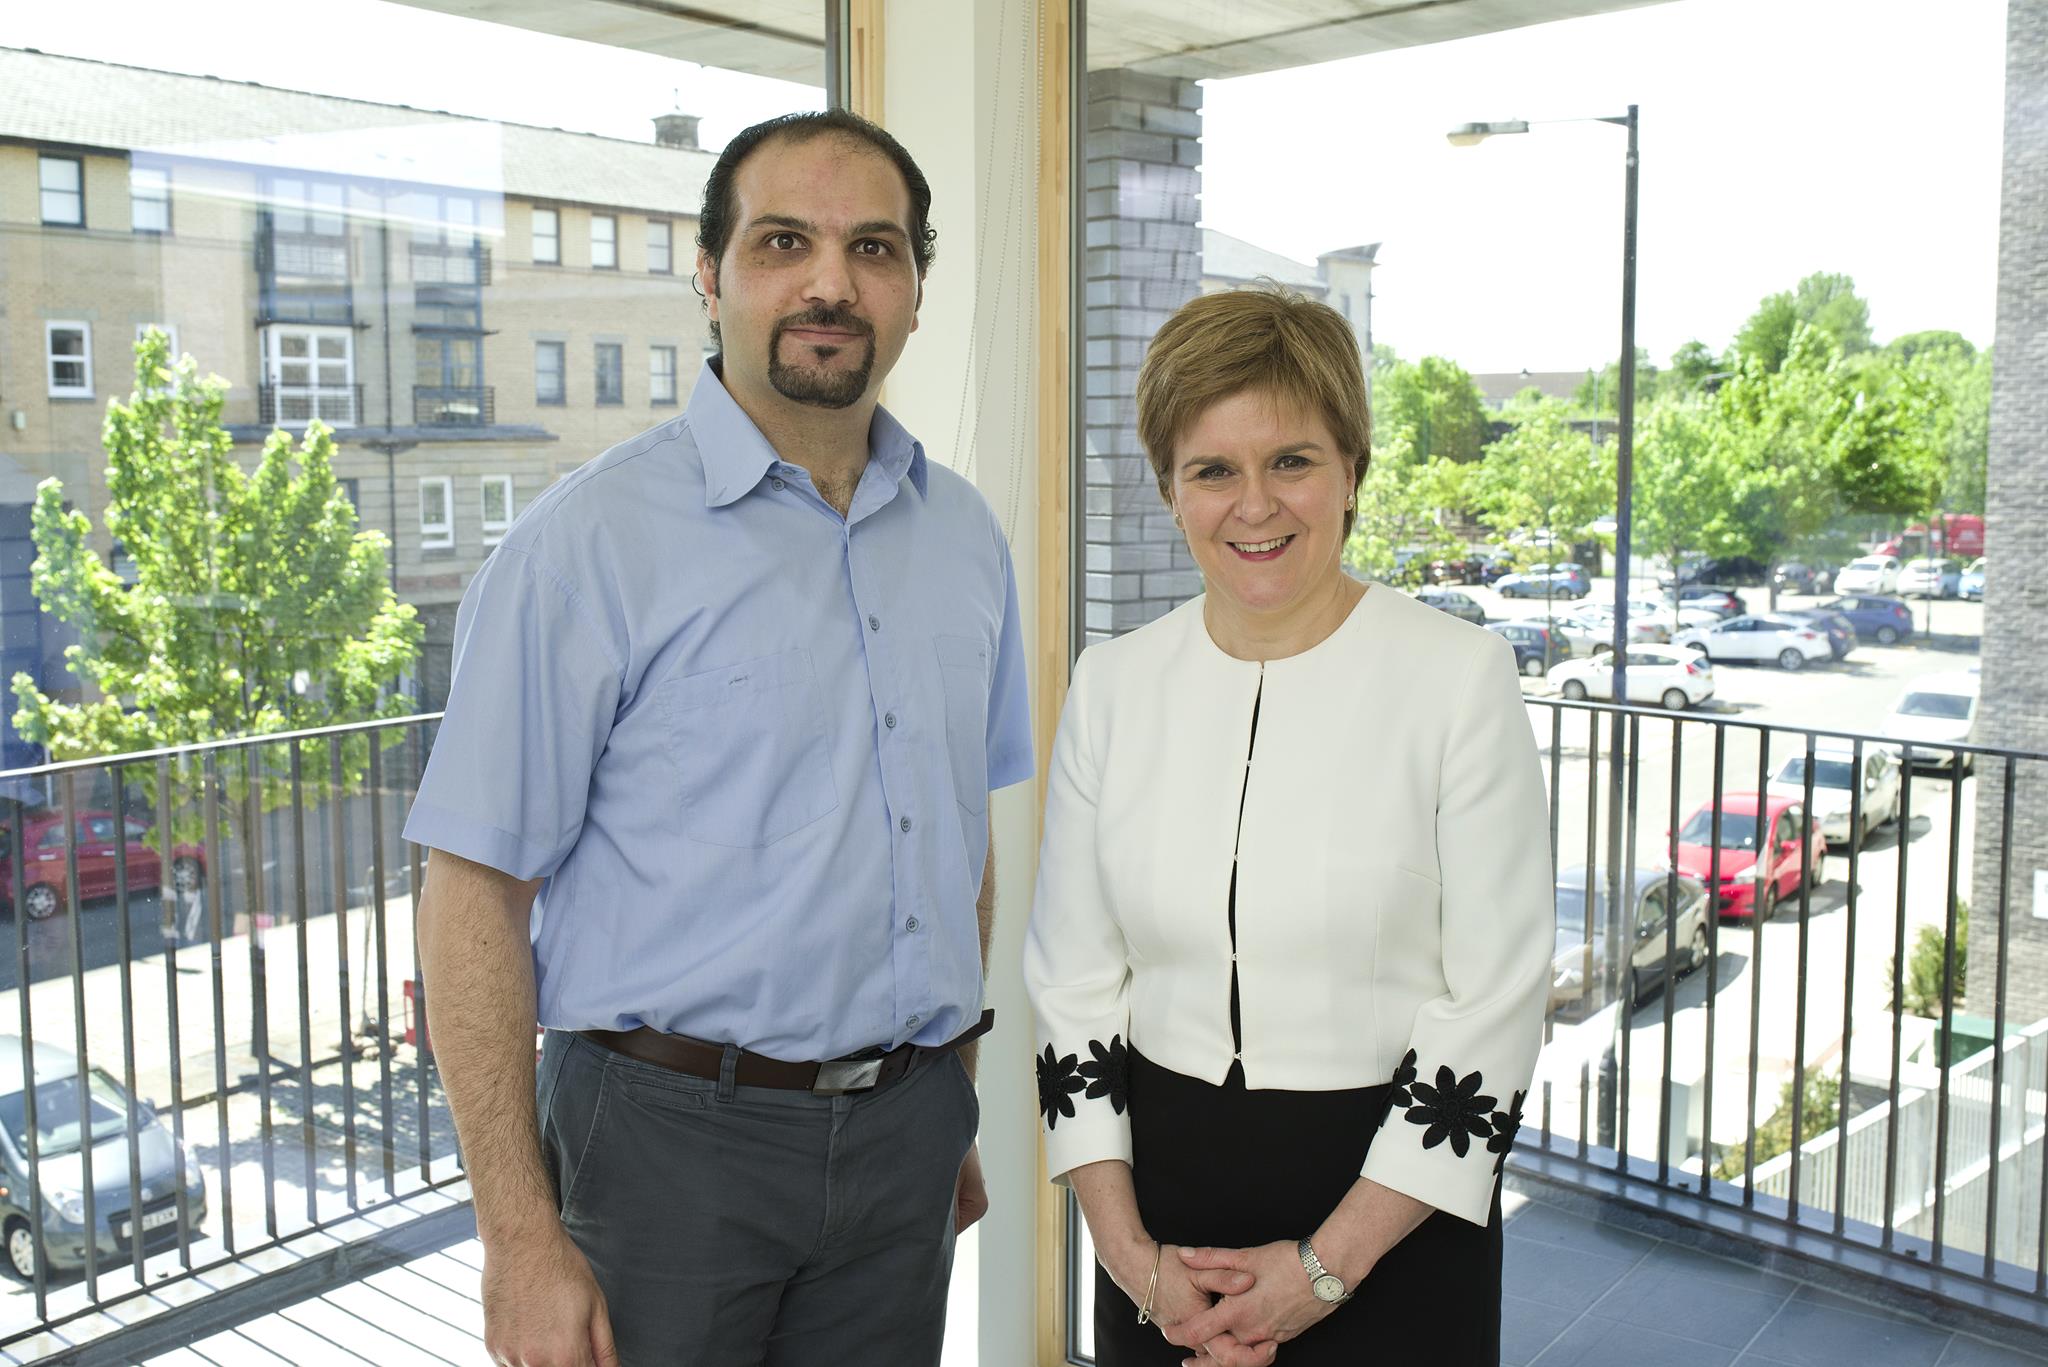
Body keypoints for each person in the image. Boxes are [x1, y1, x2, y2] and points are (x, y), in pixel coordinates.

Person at [405, 109, 1034, 1367]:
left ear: (915, 287)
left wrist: (944, 1093)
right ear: (709, 275)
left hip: (905, 1129)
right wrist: (517, 1240)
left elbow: (954, 838)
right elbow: (472, 891)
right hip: (661, 1146)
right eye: (781, 241)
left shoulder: (964, 538)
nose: (829, 283)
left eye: (873, 248)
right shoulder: (583, 549)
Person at [1024, 286, 1551, 1366]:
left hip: (1393, 1208)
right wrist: (1128, 1256)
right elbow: (1070, 981)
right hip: (1160, 1224)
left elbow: (1493, 1000)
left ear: (1350, 470)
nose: (1253, 504)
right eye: (1212, 468)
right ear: (1170, 488)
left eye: (1291, 461)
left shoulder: (1456, 676)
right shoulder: (1112, 683)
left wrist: (1323, 1268)